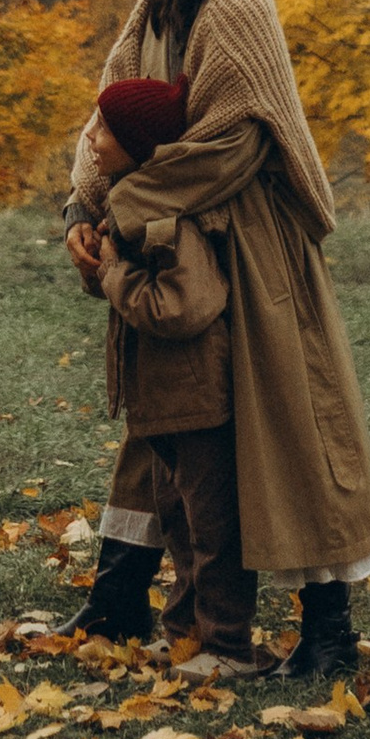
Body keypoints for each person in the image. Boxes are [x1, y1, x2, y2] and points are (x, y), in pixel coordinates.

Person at [63, 0, 370, 679]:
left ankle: (329, 633)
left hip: (249, 248)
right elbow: (110, 106)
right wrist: (85, 207)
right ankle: (120, 595)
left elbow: (233, 141)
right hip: (169, 234)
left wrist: (129, 207)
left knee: (288, 433)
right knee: (164, 428)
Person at [65, 72, 261, 673]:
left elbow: (183, 305)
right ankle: (183, 635)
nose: (91, 137)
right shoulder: (131, 202)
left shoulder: (169, 218)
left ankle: (227, 645)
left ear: (141, 147)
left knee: (212, 529)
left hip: (197, 397)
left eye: (104, 128)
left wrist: (114, 273)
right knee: (178, 523)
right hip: (164, 401)